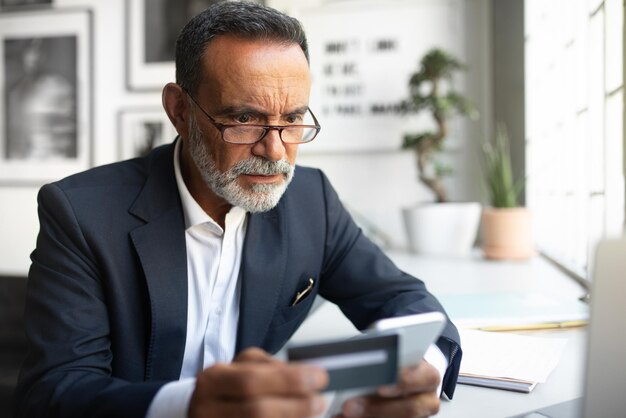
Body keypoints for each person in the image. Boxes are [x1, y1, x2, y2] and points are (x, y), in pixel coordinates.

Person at [15, 2, 461, 418]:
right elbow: (53, 392)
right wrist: (190, 404)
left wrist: (422, 369)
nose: (274, 151)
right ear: (179, 110)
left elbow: (403, 299)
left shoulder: (312, 199)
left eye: (292, 120)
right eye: (244, 119)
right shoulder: (81, 213)